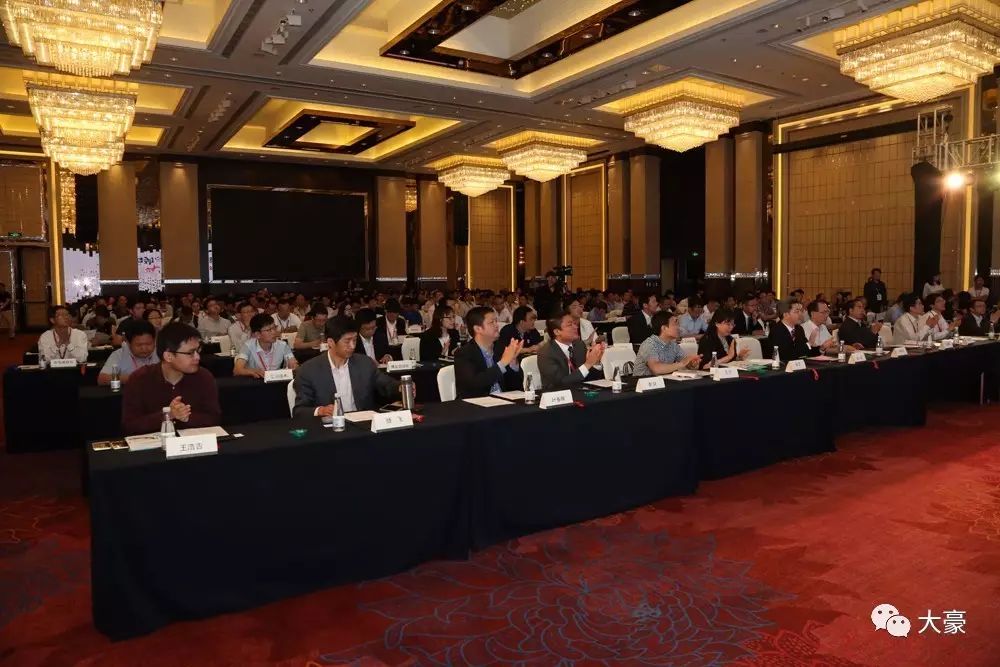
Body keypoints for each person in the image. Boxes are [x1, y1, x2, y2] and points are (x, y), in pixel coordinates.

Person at [121, 322, 221, 435]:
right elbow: (130, 425)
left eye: (198, 351)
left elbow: (214, 418)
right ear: (168, 356)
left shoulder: (204, 377)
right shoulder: (140, 379)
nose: (197, 357)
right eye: (190, 353)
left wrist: (186, 417)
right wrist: (167, 415)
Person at [291, 317, 400, 417]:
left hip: (362, 423)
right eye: (347, 341)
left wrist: (401, 386)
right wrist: (320, 410)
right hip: (330, 427)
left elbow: (387, 385)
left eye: (355, 340)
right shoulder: (308, 370)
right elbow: (299, 410)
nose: (352, 346)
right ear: (330, 342)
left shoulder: (364, 363)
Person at [454, 306, 522, 398]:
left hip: (503, 401)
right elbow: (474, 384)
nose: (496, 325)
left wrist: (513, 364)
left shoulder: (501, 348)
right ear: (478, 329)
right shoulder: (464, 353)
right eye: (491, 322)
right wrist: (503, 363)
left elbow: (516, 387)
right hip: (477, 403)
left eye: (496, 321)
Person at [536, 312, 605, 390]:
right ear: (557, 332)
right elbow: (560, 384)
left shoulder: (579, 345)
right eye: (570, 325)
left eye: (574, 324)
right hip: (557, 394)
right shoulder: (546, 353)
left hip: (580, 392)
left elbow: (591, 379)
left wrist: (595, 362)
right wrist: (588, 364)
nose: (576, 327)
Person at [632, 311, 701, 377]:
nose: (679, 328)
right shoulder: (649, 344)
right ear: (664, 328)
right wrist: (682, 363)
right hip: (642, 382)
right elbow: (656, 369)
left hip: (664, 381)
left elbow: (685, 362)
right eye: (675, 324)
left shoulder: (673, 345)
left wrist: (692, 363)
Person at [234, 314, 298, 378]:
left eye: (274, 328)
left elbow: (294, 364)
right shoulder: (248, 346)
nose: (274, 332)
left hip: (276, 381)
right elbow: (237, 370)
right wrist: (252, 371)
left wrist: (294, 366)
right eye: (268, 330)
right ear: (257, 334)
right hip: (255, 382)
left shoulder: (283, 345)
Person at [98, 320, 158, 385]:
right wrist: (134, 378)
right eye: (139, 345)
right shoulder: (119, 355)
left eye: (148, 344)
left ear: (154, 340)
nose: (144, 348)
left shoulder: (161, 352)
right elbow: (102, 379)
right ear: (128, 343)